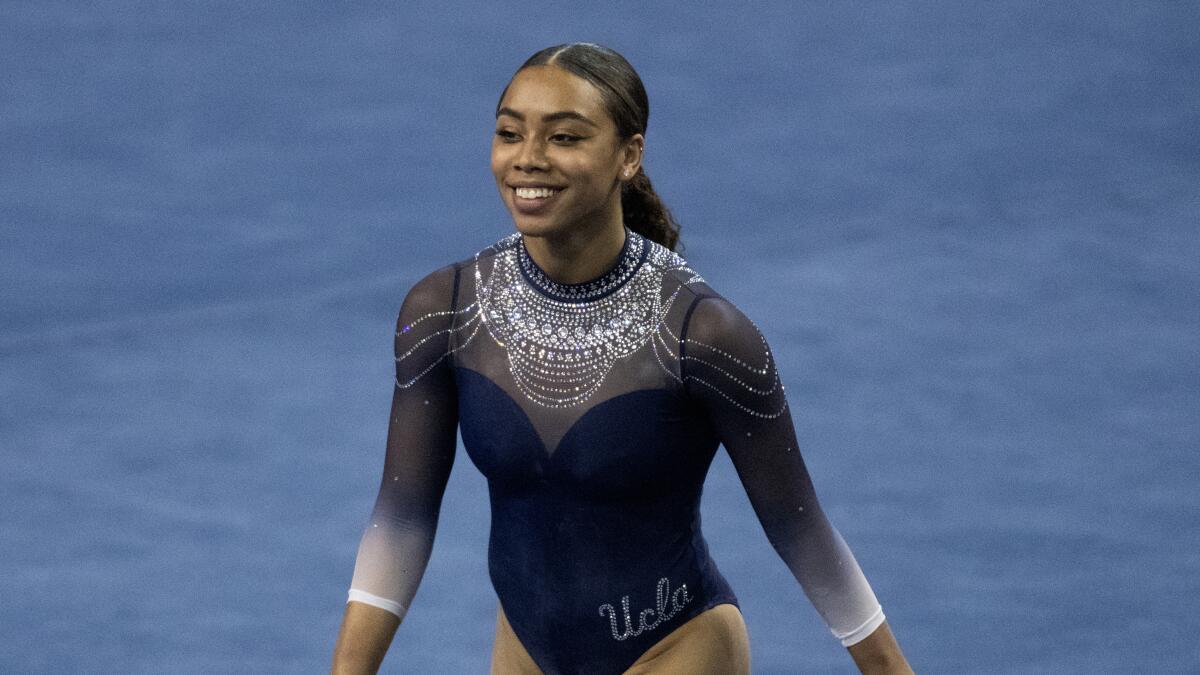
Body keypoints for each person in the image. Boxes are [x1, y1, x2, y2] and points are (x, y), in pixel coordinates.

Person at [331, 42, 914, 675]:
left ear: (628, 157)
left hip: (676, 651)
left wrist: (890, 670)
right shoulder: (446, 311)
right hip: (526, 651)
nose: (527, 159)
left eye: (564, 138)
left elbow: (801, 530)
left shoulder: (705, 335)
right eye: (509, 133)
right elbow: (402, 516)